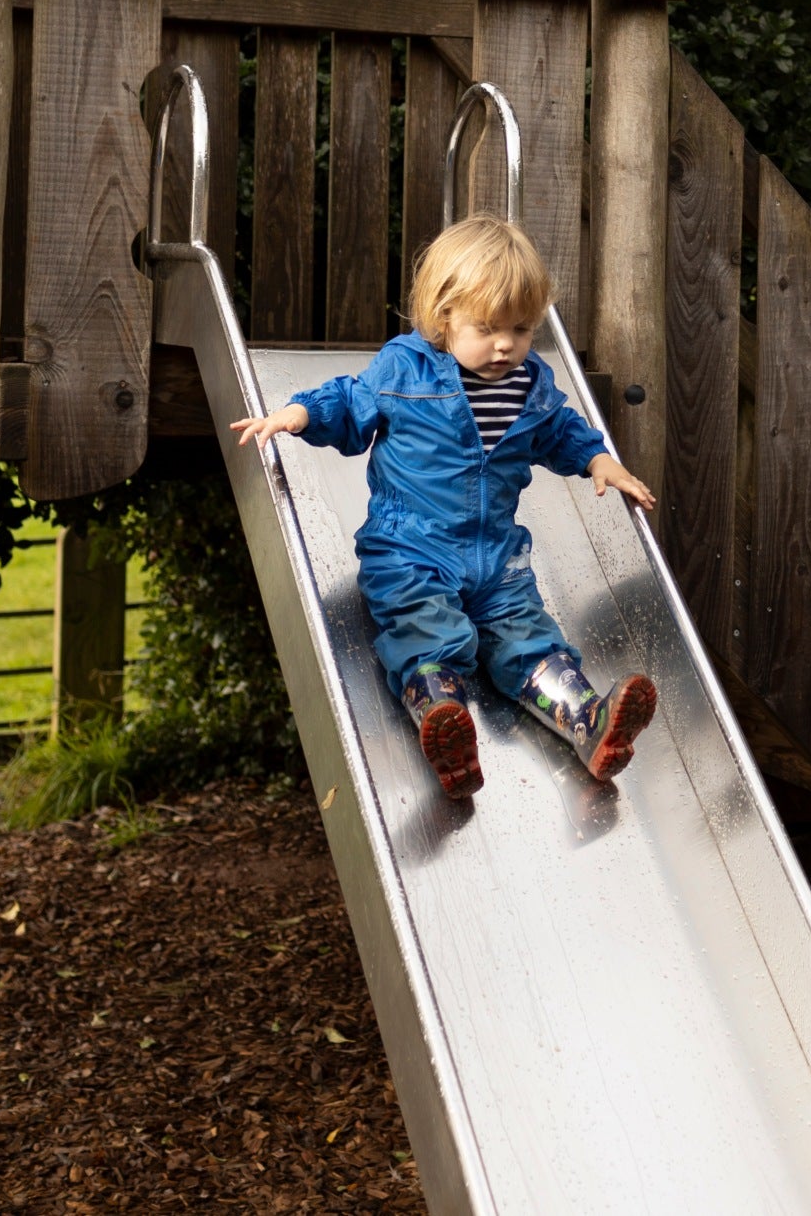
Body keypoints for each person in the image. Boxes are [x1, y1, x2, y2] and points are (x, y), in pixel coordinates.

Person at [231, 214, 658, 800]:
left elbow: (561, 430)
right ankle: (441, 714)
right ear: (444, 314)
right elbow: (351, 403)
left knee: (527, 635)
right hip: (410, 549)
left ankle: (588, 722)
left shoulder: (531, 382)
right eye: (487, 327)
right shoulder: (406, 368)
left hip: (495, 556)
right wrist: (298, 415)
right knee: (426, 628)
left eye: (521, 328)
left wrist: (600, 462)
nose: (506, 344)